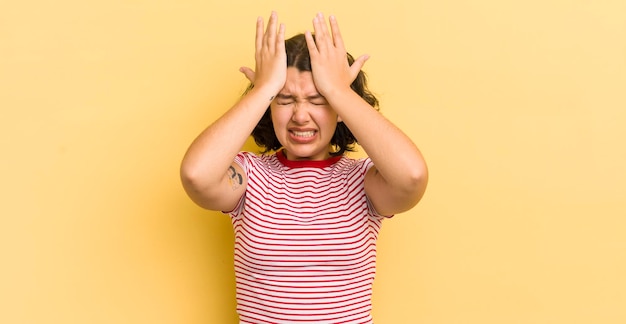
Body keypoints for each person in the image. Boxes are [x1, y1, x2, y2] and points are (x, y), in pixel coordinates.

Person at [180, 11, 428, 324]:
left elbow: (412, 176)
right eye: (284, 99)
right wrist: (264, 88)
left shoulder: (366, 181)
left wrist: (338, 91)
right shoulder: (249, 177)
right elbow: (196, 175)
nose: (300, 115)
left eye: (318, 99)